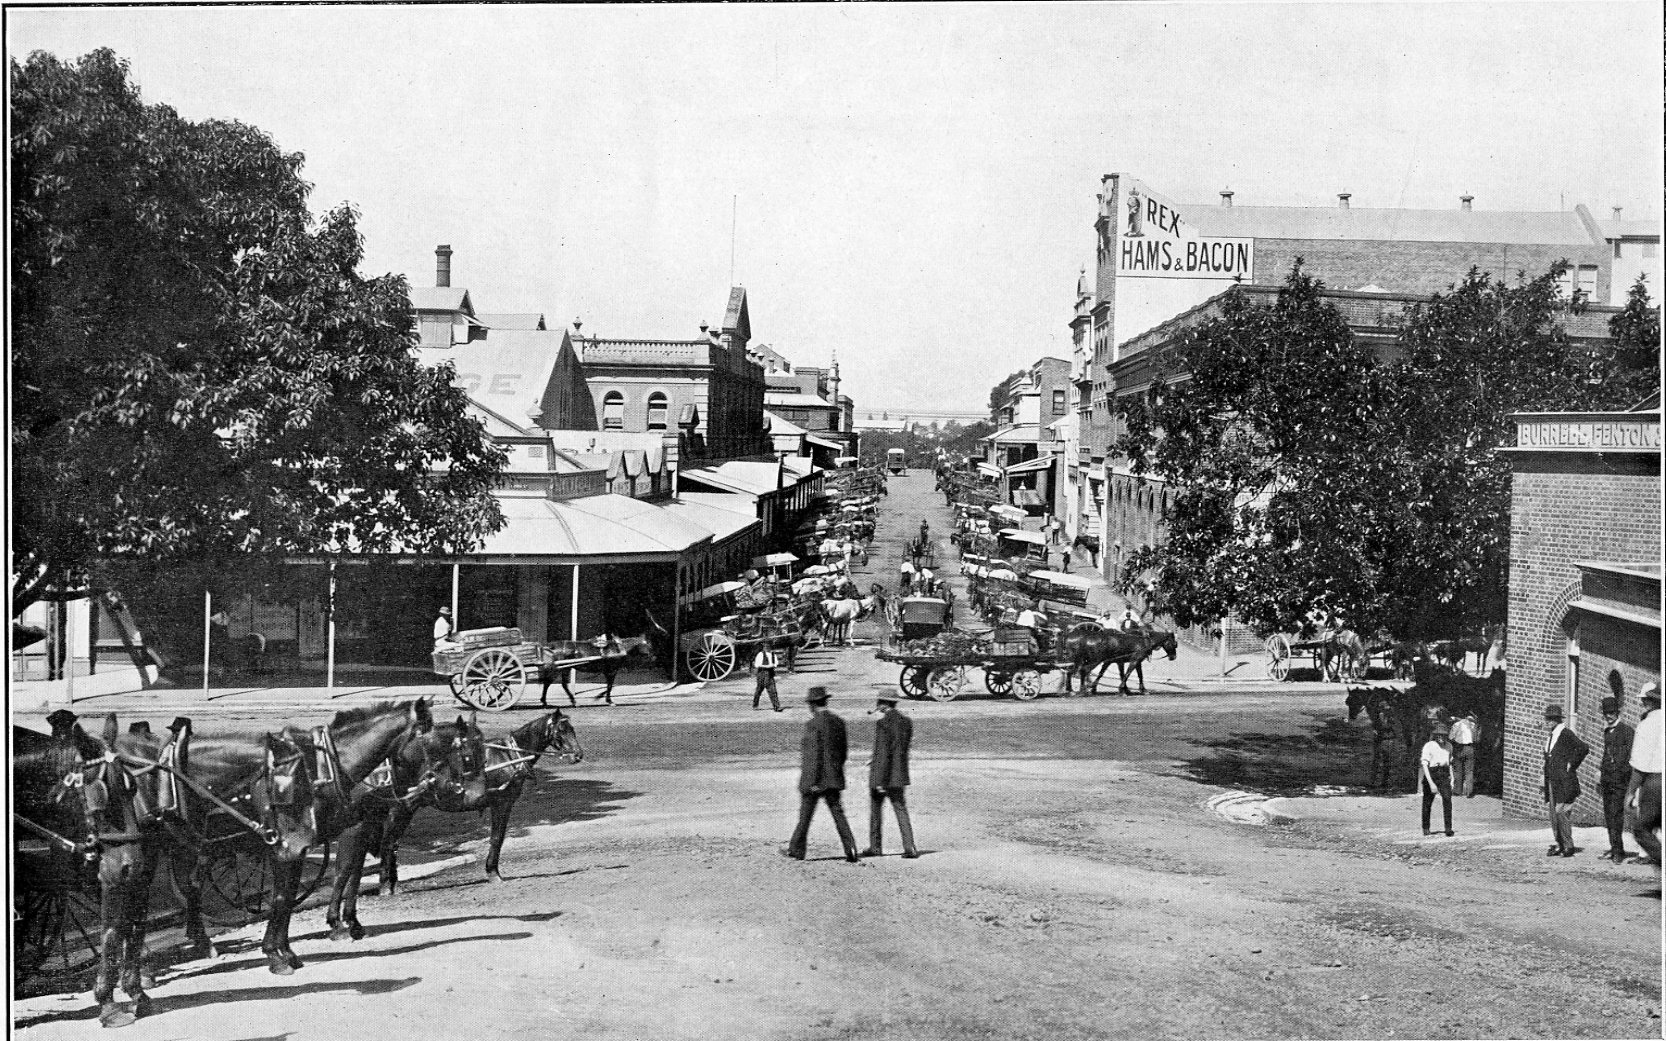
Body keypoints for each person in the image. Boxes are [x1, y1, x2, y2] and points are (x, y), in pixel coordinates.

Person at [782, 687, 862, 864]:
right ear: (825, 701)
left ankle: (796, 850)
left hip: (816, 780)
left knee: (805, 817)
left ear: (812, 705)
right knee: (839, 815)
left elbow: (812, 756)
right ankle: (851, 850)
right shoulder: (839, 722)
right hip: (834, 777)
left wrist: (810, 782)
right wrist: (835, 771)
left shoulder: (812, 724)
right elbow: (843, 753)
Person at [862, 693, 920, 859]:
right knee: (901, 809)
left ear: (884, 704)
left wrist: (879, 779)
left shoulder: (883, 723)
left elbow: (883, 752)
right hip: (899, 773)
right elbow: (900, 748)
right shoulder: (906, 722)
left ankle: (875, 846)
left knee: (875, 810)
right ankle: (910, 847)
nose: (878, 705)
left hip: (883, 774)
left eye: (879, 702)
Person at [1542, 703, 1590, 858]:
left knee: (1562, 812)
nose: (1548, 721)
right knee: (1553, 815)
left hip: (1564, 780)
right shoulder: (1550, 736)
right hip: (1552, 780)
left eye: (1552, 719)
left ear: (1558, 720)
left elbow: (1583, 748)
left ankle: (1568, 846)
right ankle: (1559, 844)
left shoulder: (1566, 733)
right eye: (1547, 718)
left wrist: (1572, 763)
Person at [1626, 683, 1662, 866]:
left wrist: (1631, 792)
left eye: (1646, 700)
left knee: (1641, 829)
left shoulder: (1646, 724)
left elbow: (1640, 765)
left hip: (1655, 781)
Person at [1599, 695, 1636, 863]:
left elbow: (1630, 758)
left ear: (1617, 712)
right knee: (1608, 815)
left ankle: (1618, 852)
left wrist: (1620, 774)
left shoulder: (1627, 731)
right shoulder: (1607, 731)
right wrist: (1601, 774)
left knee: (1616, 815)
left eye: (1612, 712)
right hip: (1607, 780)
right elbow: (1606, 756)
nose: (1609, 716)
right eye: (1606, 713)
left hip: (1620, 782)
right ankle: (1613, 847)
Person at [1419, 722, 1455, 836]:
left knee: (1447, 799)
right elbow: (1424, 765)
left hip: (1444, 774)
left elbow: (1449, 763)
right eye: (1438, 735)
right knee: (1427, 802)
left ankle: (1448, 828)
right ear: (1435, 735)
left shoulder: (1449, 746)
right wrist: (1431, 783)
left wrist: (1452, 778)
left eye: (1443, 735)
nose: (1441, 738)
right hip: (1432, 773)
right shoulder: (1429, 746)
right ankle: (1426, 827)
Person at [1449, 710, 1480, 798]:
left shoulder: (1456, 725)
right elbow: (1475, 739)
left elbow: (1451, 737)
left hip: (1458, 747)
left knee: (1457, 769)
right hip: (1470, 748)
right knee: (1469, 770)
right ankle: (1469, 791)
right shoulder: (1472, 725)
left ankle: (1457, 791)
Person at [752, 646, 783, 711]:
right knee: (759, 690)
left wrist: (772, 666)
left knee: (773, 691)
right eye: (766, 647)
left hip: (770, 674)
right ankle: (755, 705)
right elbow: (757, 665)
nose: (767, 648)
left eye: (769, 647)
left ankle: (777, 707)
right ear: (764, 648)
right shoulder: (760, 654)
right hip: (761, 674)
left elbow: (775, 664)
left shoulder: (773, 655)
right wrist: (767, 666)